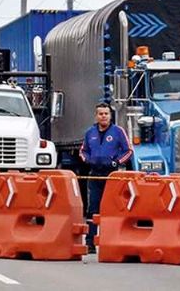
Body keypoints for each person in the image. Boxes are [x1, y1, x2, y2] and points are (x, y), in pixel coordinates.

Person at [80, 102, 133, 253]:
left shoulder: (118, 132)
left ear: (110, 116)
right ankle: (90, 242)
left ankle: (112, 241)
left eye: (106, 114)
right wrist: (88, 160)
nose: (103, 116)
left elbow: (128, 151)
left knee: (113, 208)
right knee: (93, 209)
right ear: (96, 116)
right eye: (100, 114)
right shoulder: (90, 133)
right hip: (94, 175)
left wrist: (117, 162)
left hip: (112, 176)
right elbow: (83, 151)